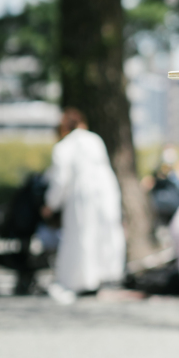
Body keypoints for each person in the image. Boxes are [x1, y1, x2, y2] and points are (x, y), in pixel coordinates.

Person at [43, 109, 126, 304]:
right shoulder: (94, 139)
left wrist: (50, 204)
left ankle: (83, 281)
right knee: (105, 234)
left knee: (80, 237)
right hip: (106, 191)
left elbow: (60, 179)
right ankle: (106, 276)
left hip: (81, 195)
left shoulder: (64, 146)